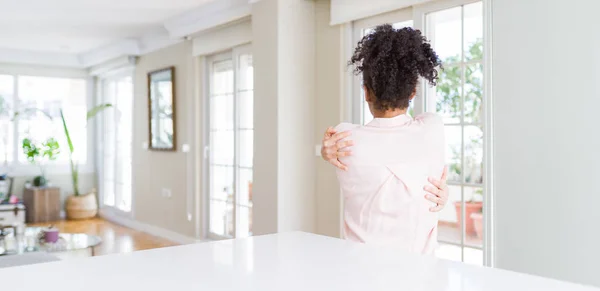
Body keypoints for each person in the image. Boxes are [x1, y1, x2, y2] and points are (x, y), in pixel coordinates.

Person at [321, 24, 448, 254]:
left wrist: (323, 151)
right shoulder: (432, 129)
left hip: (360, 275)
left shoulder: (345, 139)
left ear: (366, 92)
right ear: (412, 93)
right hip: (420, 278)